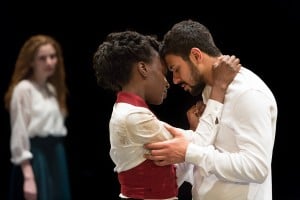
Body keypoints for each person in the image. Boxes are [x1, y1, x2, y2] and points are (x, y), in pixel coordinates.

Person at [92, 30, 240, 199]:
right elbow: (200, 143)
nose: (169, 82)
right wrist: (219, 87)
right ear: (143, 68)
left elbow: (171, 176)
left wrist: (192, 131)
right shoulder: (133, 117)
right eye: (163, 72)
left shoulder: (128, 111)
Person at [144, 19, 278, 200]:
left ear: (196, 55)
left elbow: (256, 168)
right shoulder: (210, 92)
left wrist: (189, 152)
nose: (175, 80)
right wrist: (195, 137)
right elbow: (208, 170)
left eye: (176, 69)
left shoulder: (248, 92)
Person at [4, 34, 71, 200]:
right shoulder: (24, 89)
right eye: (42, 58)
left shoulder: (51, 89)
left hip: (56, 155)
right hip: (36, 157)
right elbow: (19, 133)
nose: (49, 62)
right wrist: (28, 176)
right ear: (31, 62)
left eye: (52, 56)